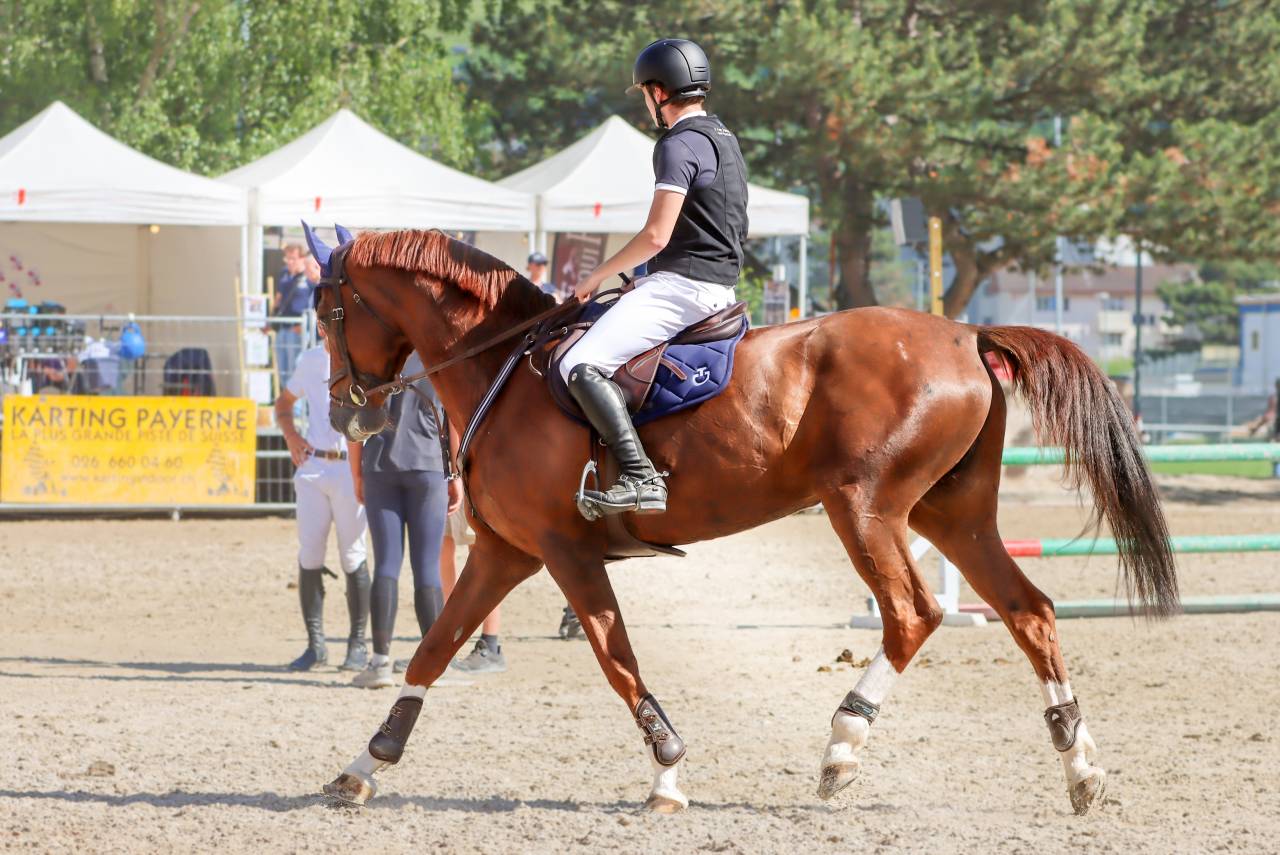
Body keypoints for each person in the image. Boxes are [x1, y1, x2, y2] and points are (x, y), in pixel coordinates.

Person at [558, 38, 748, 519]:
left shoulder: (677, 144)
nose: (646, 102)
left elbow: (657, 235)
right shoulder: (723, 136)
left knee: (579, 363)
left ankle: (640, 476)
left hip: (685, 289)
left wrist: (595, 276)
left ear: (659, 91)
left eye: (645, 92)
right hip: (712, 284)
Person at [348, 353, 462, 689]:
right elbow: (452, 419)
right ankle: (435, 664)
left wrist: (356, 472)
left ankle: (380, 662)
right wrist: (454, 472)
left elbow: (354, 422)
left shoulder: (371, 357)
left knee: (386, 564)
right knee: (426, 567)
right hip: (427, 465)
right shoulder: (432, 357)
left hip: (380, 464)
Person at [275, 324, 370, 672]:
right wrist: (291, 436)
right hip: (314, 465)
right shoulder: (311, 360)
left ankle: (357, 643)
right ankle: (315, 644)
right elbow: (283, 403)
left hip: (349, 467)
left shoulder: (363, 358)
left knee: (352, 555)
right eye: (324, 325)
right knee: (310, 553)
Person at [273, 245, 313, 385]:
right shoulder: (284, 274)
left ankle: (296, 407)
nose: (289, 262)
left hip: (297, 329)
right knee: (283, 371)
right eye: (287, 258)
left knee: (294, 370)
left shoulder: (309, 277)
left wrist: (306, 325)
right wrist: (271, 321)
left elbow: (316, 304)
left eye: (293, 258)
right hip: (282, 328)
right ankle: (287, 404)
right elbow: (278, 299)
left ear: (302, 258)